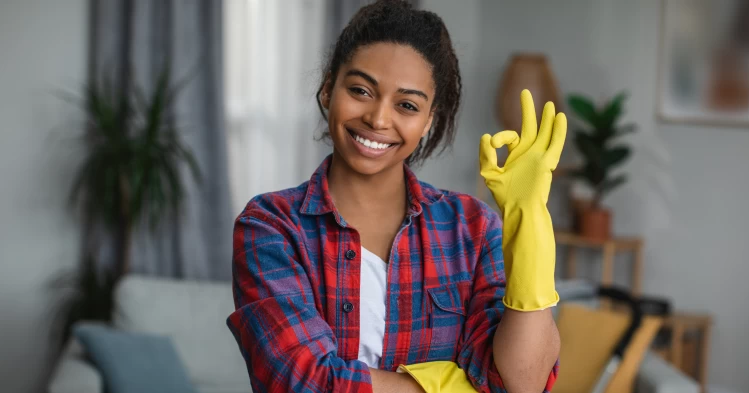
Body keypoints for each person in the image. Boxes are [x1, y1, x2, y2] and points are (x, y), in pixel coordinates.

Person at [226, 1, 566, 392]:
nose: (378, 119)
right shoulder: (270, 226)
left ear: (429, 120)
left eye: (407, 105)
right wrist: (441, 386)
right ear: (327, 89)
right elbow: (302, 381)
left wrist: (529, 221)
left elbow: (521, 383)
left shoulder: (472, 228)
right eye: (360, 90)